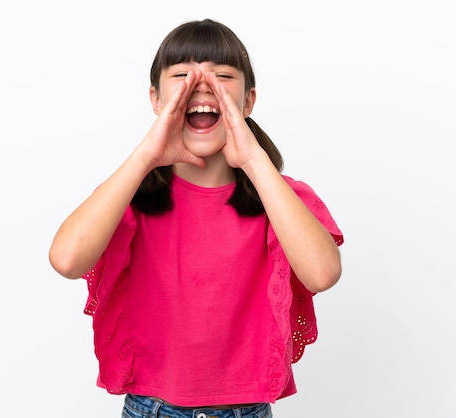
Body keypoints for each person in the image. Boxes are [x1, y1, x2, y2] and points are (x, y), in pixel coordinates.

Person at [49, 18, 344, 418]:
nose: (202, 85)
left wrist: (255, 159)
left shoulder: (280, 197)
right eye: (182, 75)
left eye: (223, 76)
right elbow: (67, 260)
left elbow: (322, 274)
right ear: (155, 99)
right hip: (151, 409)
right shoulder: (129, 196)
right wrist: (146, 156)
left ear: (249, 101)